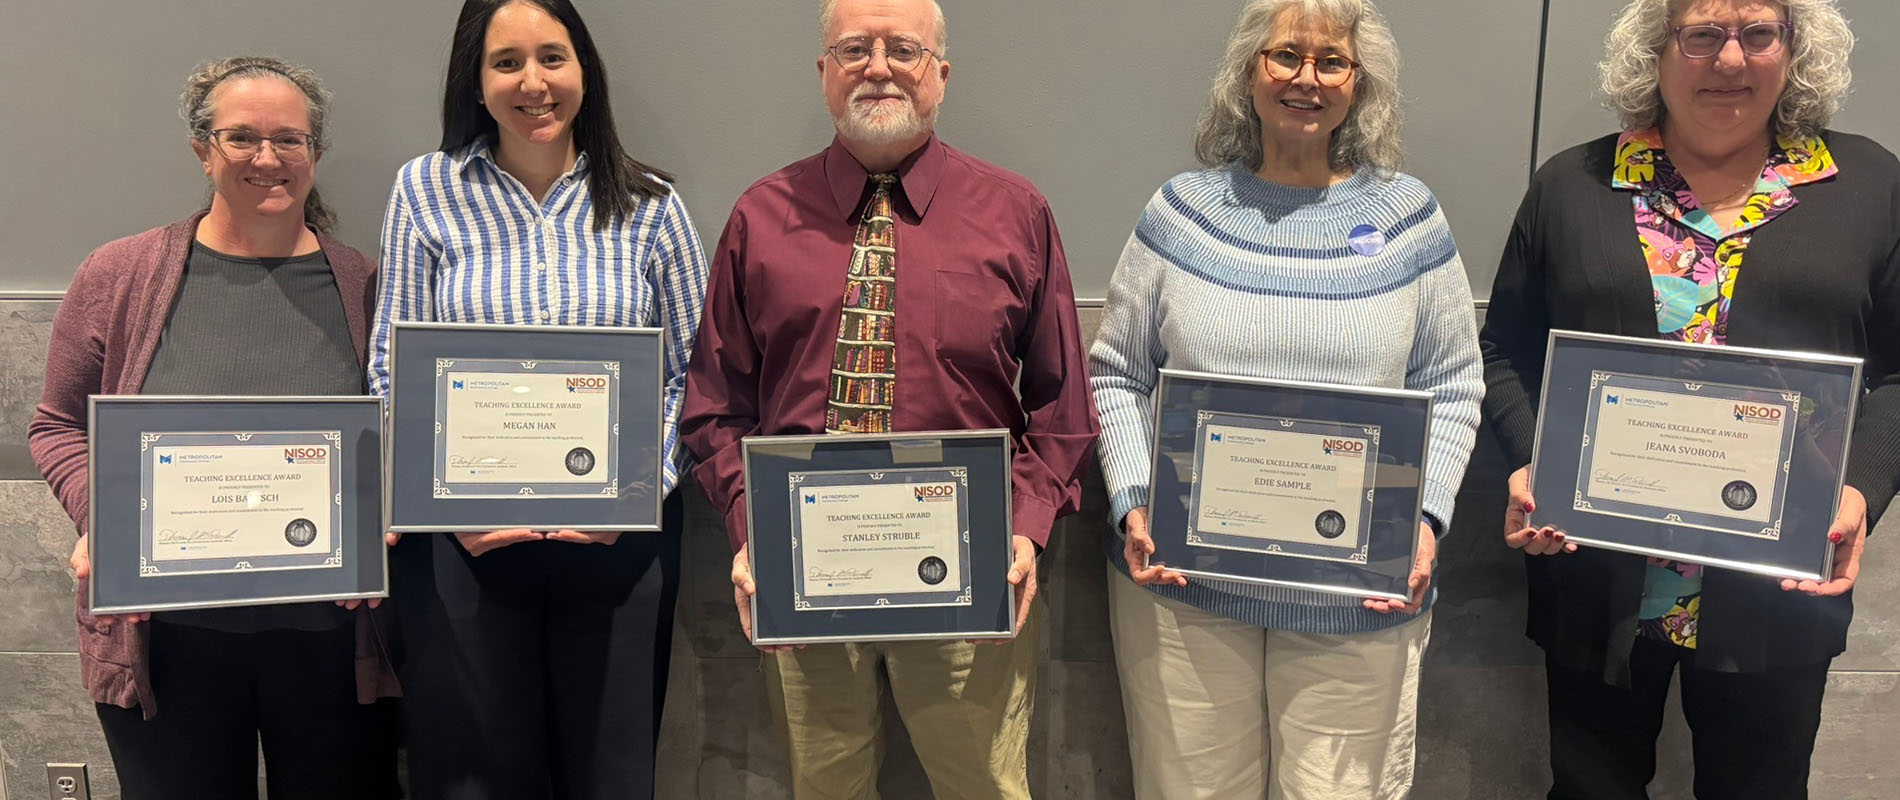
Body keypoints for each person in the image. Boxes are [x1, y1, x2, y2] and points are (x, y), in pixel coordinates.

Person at [679, 0, 1099, 796]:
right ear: (823, 74)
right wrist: (750, 531)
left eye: (903, 48)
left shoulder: (1017, 215)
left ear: (941, 72)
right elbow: (714, 405)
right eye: (853, 48)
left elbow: (1062, 407)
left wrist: (1026, 531)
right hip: (801, 578)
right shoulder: (760, 219)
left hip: (971, 576)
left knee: (985, 787)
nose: (877, 66)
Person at [1480, 1, 1900, 796]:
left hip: (1780, 589)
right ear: (1657, 50)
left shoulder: (1872, 188)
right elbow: (1503, 350)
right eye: (1701, 34)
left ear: (1793, 47)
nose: (1730, 60)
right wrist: (1536, 460)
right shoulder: (1572, 186)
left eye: (1757, 34)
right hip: (1593, 569)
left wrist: (1860, 489)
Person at [1087, 1, 1482, 797]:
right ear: (1249, 73)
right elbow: (1116, 372)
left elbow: (1454, 384)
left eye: (1330, 61)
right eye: (1286, 57)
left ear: (1358, 83)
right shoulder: (1181, 215)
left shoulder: (1409, 219)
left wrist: (1426, 520)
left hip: (1358, 595)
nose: (1307, 78)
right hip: (1185, 590)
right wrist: (1135, 498)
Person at [28, 56, 400, 799]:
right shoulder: (120, 274)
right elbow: (57, 425)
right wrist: (102, 518)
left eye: (289, 140)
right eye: (242, 138)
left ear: (316, 155)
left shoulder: (368, 284)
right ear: (202, 150)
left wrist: (384, 517)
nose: (268, 159)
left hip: (332, 644)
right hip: (168, 641)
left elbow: (396, 438)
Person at [368, 1, 708, 797]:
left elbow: (697, 372)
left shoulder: (651, 203)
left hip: (619, 545)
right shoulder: (425, 191)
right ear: (475, 80)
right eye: (507, 61)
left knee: (611, 773)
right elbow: (392, 366)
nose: (534, 83)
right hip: (463, 543)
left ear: (584, 70)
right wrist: (444, 506)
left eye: (553, 57)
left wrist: (632, 494)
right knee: (472, 775)